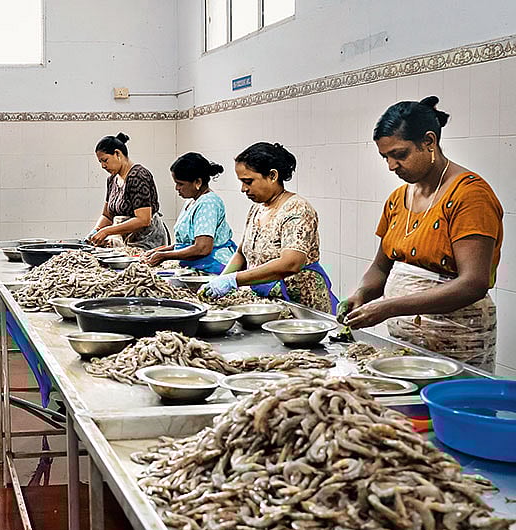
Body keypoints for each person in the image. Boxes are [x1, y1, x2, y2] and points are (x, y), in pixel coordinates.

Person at [343, 97, 503, 371]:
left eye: (399, 154)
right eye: (385, 157)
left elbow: (473, 283)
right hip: (406, 337)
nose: (391, 166)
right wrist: (362, 294)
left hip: (457, 338)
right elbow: (381, 267)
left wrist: (390, 307)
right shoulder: (398, 199)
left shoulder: (470, 195)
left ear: (429, 141)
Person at [200, 142, 337, 313]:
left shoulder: (297, 209)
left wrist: (234, 280)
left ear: (272, 176)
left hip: (299, 303)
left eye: (248, 181)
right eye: (241, 182)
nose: (243, 189)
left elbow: (291, 263)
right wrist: (221, 280)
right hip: (266, 301)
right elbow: (242, 253)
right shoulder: (257, 209)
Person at [142, 152, 237, 273]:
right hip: (195, 265)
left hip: (211, 266)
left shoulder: (208, 203)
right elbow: (184, 244)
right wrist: (159, 251)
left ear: (198, 182)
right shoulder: (192, 202)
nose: (177, 188)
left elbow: (202, 248)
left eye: (180, 184)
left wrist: (164, 256)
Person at [87, 132, 169, 250]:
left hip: (146, 241)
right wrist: (95, 232)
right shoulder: (112, 180)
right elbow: (107, 215)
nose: (103, 166)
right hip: (125, 242)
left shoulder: (138, 176)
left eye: (105, 160)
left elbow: (143, 220)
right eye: (100, 162)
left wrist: (107, 231)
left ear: (117, 153)